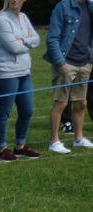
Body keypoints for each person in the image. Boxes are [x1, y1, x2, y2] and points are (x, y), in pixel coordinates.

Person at [0, 0, 41, 161]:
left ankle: (20, 146)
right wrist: (27, 41)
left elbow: (37, 39)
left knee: (27, 110)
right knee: (4, 113)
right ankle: (2, 148)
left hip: (24, 72)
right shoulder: (1, 20)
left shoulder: (24, 17)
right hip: (6, 74)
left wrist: (22, 41)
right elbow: (13, 47)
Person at [43, 0, 93, 154]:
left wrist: (90, 61)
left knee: (81, 103)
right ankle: (54, 141)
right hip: (66, 63)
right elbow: (52, 38)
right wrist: (60, 63)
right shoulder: (63, 6)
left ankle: (78, 139)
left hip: (85, 62)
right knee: (61, 103)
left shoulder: (90, 6)